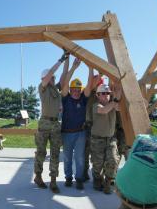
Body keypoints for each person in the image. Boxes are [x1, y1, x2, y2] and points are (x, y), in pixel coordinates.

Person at [33, 51, 69, 194]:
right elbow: (51, 73)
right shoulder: (42, 88)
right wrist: (60, 60)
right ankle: (38, 176)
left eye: (53, 78)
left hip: (55, 125)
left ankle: (53, 181)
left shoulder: (56, 89)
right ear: (45, 78)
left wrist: (68, 60)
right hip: (44, 123)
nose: (53, 79)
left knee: (55, 153)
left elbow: (64, 75)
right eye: (50, 77)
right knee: (41, 152)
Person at [60, 58, 95, 190]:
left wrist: (90, 68)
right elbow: (65, 83)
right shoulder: (65, 98)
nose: (76, 91)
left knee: (79, 158)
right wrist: (74, 68)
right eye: (74, 89)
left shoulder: (83, 99)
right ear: (71, 89)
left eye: (78, 89)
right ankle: (68, 178)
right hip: (67, 133)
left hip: (80, 133)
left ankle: (79, 179)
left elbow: (90, 85)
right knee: (67, 157)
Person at [90, 83, 121, 194]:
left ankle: (108, 181)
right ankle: (97, 179)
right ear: (98, 95)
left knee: (113, 160)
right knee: (97, 163)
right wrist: (115, 100)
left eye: (108, 93)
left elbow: (117, 106)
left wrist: (118, 89)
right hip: (97, 139)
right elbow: (104, 110)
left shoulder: (113, 105)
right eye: (103, 93)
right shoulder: (96, 106)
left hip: (110, 139)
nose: (106, 95)